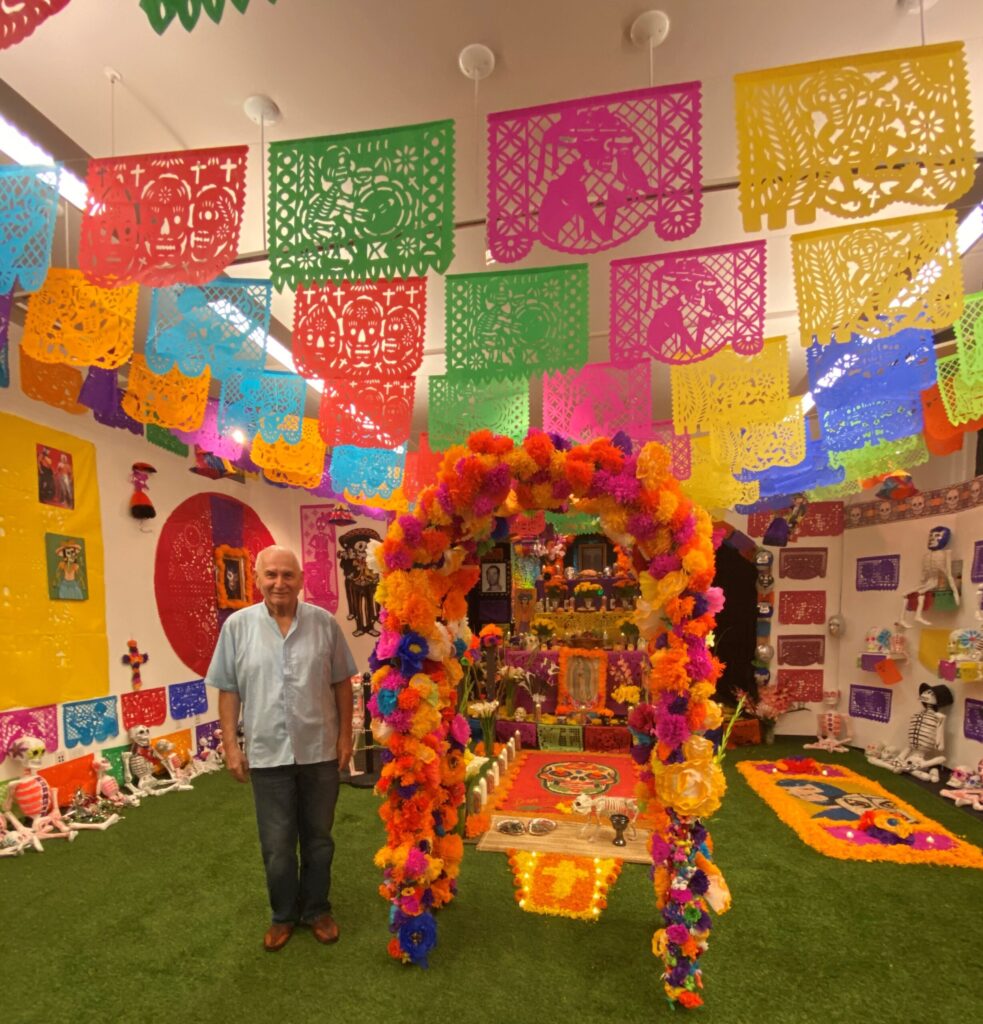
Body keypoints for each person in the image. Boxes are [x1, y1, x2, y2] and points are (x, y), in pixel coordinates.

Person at [206, 545, 356, 953]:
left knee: (319, 838)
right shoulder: (237, 627)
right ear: (257, 579)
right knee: (276, 845)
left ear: (301, 580)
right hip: (268, 753)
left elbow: (342, 682)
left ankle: (317, 910)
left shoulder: (324, 625)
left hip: (320, 751)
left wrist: (345, 737)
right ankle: (284, 914)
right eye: (271, 575)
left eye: (288, 575)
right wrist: (231, 746)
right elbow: (228, 690)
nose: (279, 583)